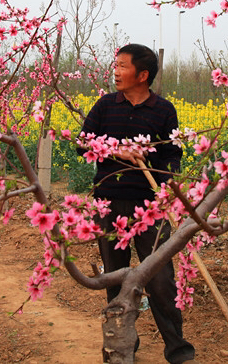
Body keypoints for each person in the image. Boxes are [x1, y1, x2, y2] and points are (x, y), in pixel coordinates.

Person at [78, 43, 196, 364]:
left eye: (122, 66)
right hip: (109, 206)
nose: (115, 71)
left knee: (160, 280)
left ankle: (178, 350)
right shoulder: (104, 106)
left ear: (143, 75)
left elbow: (173, 155)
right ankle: (122, 345)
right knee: (115, 279)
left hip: (151, 208)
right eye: (114, 65)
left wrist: (165, 180)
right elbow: (83, 143)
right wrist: (118, 151)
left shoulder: (163, 111)